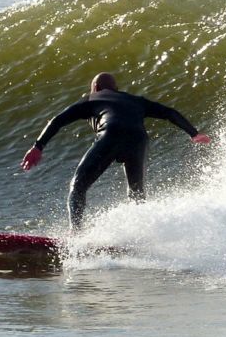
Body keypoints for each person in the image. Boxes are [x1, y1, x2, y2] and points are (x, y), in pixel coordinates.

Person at [20, 72, 210, 228]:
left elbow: (57, 120)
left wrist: (38, 146)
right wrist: (194, 133)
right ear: (116, 89)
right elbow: (169, 112)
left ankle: (75, 234)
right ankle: (142, 234)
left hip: (112, 133)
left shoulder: (91, 99)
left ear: (95, 88)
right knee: (136, 193)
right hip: (139, 139)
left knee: (78, 186)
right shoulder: (136, 100)